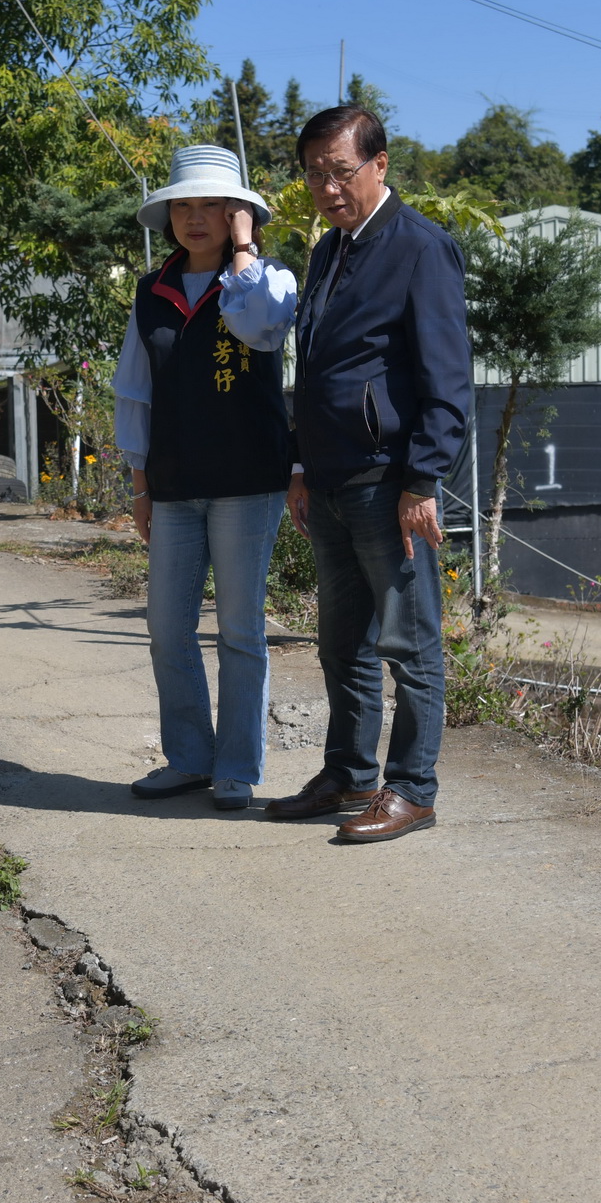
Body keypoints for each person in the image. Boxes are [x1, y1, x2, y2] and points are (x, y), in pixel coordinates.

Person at [265, 105, 473, 844]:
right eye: (315, 173)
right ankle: (349, 774)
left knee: (410, 642)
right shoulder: (330, 251)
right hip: (327, 480)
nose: (327, 188)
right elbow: (313, 366)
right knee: (340, 639)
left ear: (380, 165)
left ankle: (412, 788)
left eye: (341, 172)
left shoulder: (421, 248)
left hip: (390, 482)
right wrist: (298, 462)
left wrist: (423, 480)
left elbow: (448, 380)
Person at [115, 146, 302, 811]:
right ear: (168, 217)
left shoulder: (266, 281)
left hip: (248, 482)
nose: (195, 219)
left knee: (241, 631)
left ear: (238, 215)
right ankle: (189, 758)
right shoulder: (151, 292)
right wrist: (138, 484)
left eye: (214, 207)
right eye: (183, 206)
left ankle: (237, 767)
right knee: (168, 627)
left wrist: (246, 252)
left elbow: (264, 326)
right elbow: (135, 392)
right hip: (172, 482)